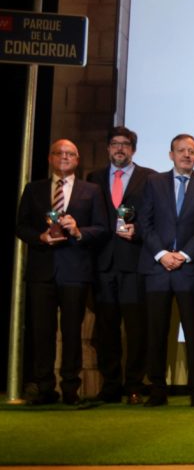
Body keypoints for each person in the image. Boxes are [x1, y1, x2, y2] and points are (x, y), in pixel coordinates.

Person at [16, 139, 107, 405]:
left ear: (77, 160)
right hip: (41, 271)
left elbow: (102, 228)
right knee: (42, 332)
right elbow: (21, 227)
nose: (64, 157)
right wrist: (41, 237)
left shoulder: (91, 191)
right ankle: (45, 387)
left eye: (70, 154)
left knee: (71, 332)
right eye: (59, 153)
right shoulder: (33, 190)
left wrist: (79, 232)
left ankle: (70, 389)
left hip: (75, 271)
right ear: (50, 158)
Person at [137, 134, 194, 407]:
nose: (187, 155)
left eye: (192, 151)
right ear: (171, 154)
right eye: (181, 150)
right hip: (157, 268)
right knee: (156, 330)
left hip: (190, 268)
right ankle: (157, 389)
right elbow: (144, 222)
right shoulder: (153, 182)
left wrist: (183, 255)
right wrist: (162, 254)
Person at [86, 127, 155, 405]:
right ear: (107, 148)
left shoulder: (149, 178)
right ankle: (111, 385)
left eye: (125, 144)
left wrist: (137, 231)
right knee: (106, 328)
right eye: (115, 144)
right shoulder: (93, 179)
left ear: (133, 149)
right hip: (103, 263)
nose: (120, 149)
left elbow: (153, 219)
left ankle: (134, 384)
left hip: (134, 262)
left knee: (136, 329)